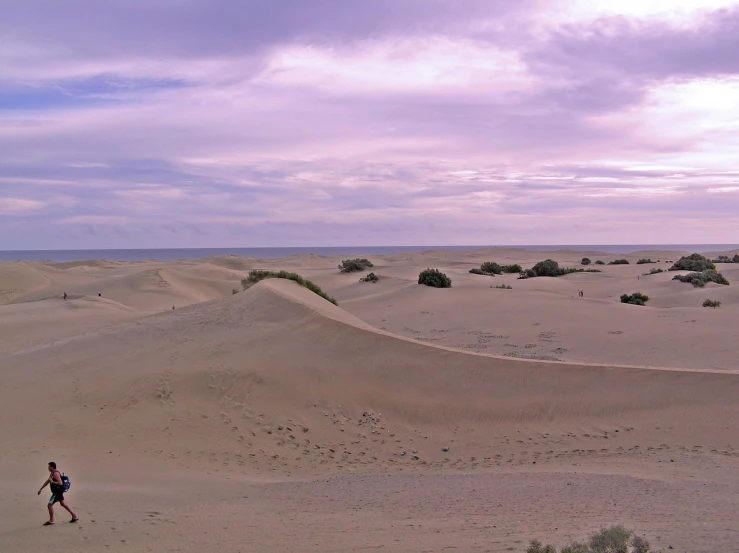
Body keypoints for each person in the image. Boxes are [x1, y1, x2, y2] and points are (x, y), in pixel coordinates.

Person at [37, 461, 78, 525]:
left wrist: (52, 482)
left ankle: (51, 520)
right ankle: (74, 516)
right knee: (63, 504)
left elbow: (60, 483)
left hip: (57, 492)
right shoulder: (52, 473)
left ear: (52, 467)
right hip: (58, 492)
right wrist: (41, 489)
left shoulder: (56, 473)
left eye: (49, 466)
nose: (48, 467)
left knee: (49, 505)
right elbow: (48, 481)